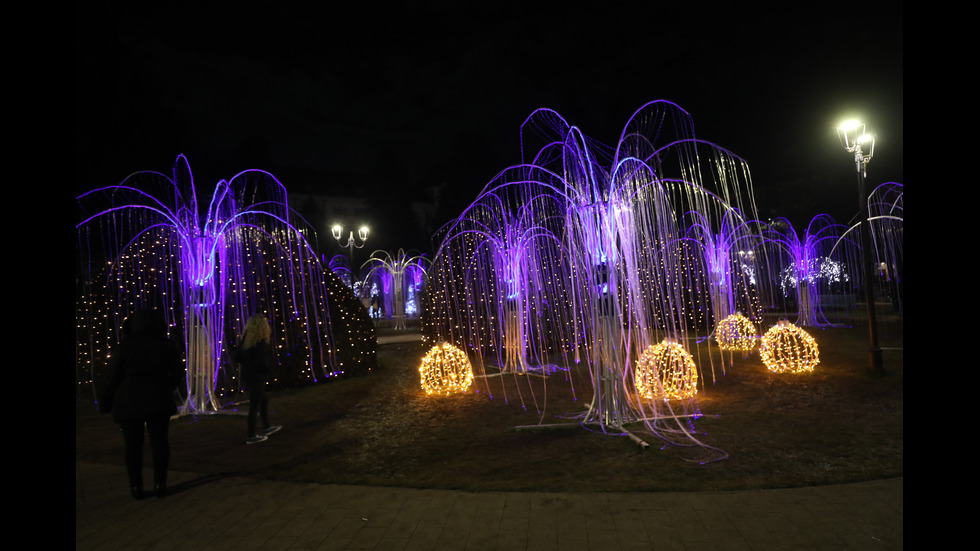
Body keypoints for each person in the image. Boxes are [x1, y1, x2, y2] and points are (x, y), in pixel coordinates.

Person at [100, 309, 185, 499]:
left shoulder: (125, 347)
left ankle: (136, 487)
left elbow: (112, 376)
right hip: (158, 399)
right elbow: (178, 372)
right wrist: (167, 386)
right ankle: (160, 484)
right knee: (160, 443)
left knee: (132, 445)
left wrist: (105, 402)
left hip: (130, 400)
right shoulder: (166, 345)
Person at [235, 314, 282, 444]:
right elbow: (261, 361)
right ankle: (251, 435)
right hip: (257, 376)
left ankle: (266, 427)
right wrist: (267, 370)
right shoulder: (261, 341)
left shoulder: (245, 340)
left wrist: (247, 363)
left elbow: (238, 356)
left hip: (248, 375)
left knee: (263, 400)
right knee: (255, 405)